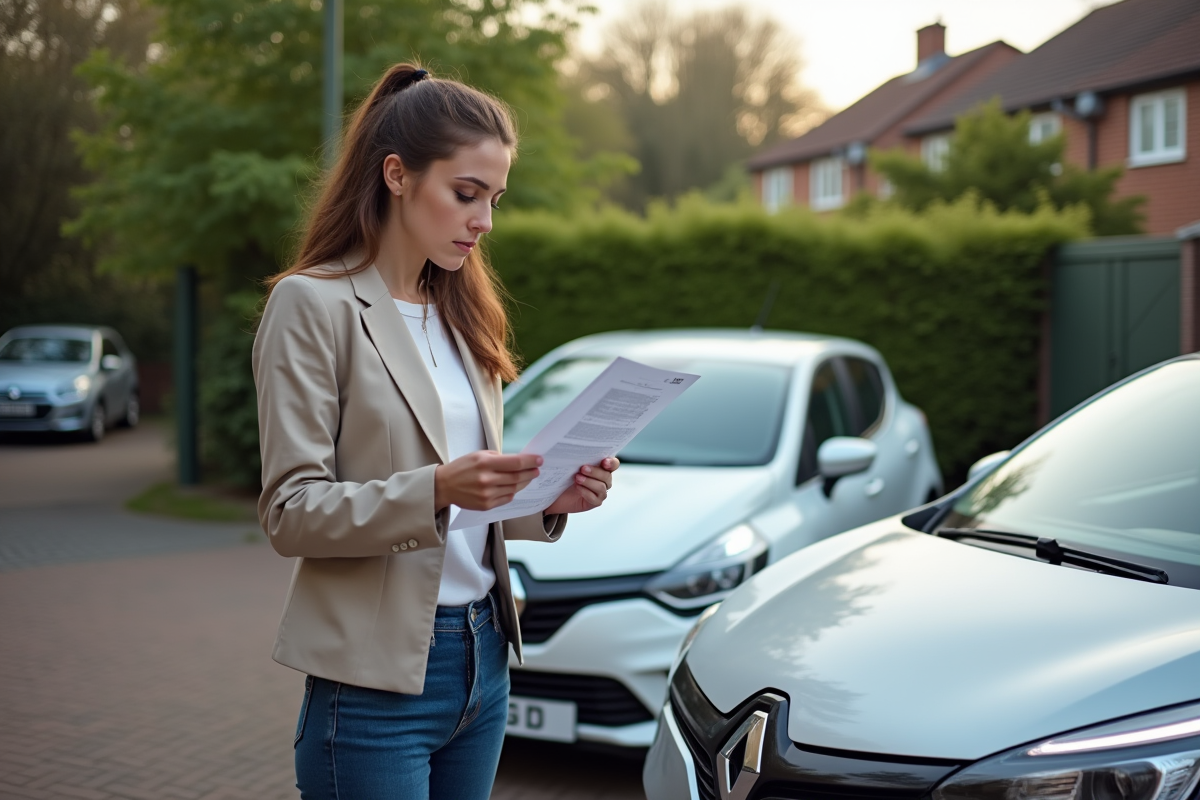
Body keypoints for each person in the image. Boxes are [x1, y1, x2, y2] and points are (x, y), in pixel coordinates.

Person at [252, 63, 618, 800]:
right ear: (396, 175)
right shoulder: (312, 305)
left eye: (494, 199)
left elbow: (465, 509)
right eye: (465, 194)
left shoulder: (463, 316)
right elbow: (290, 513)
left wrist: (548, 499)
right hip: (373, 684)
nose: (483, 220)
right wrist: (437, 488)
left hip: (484, 659)